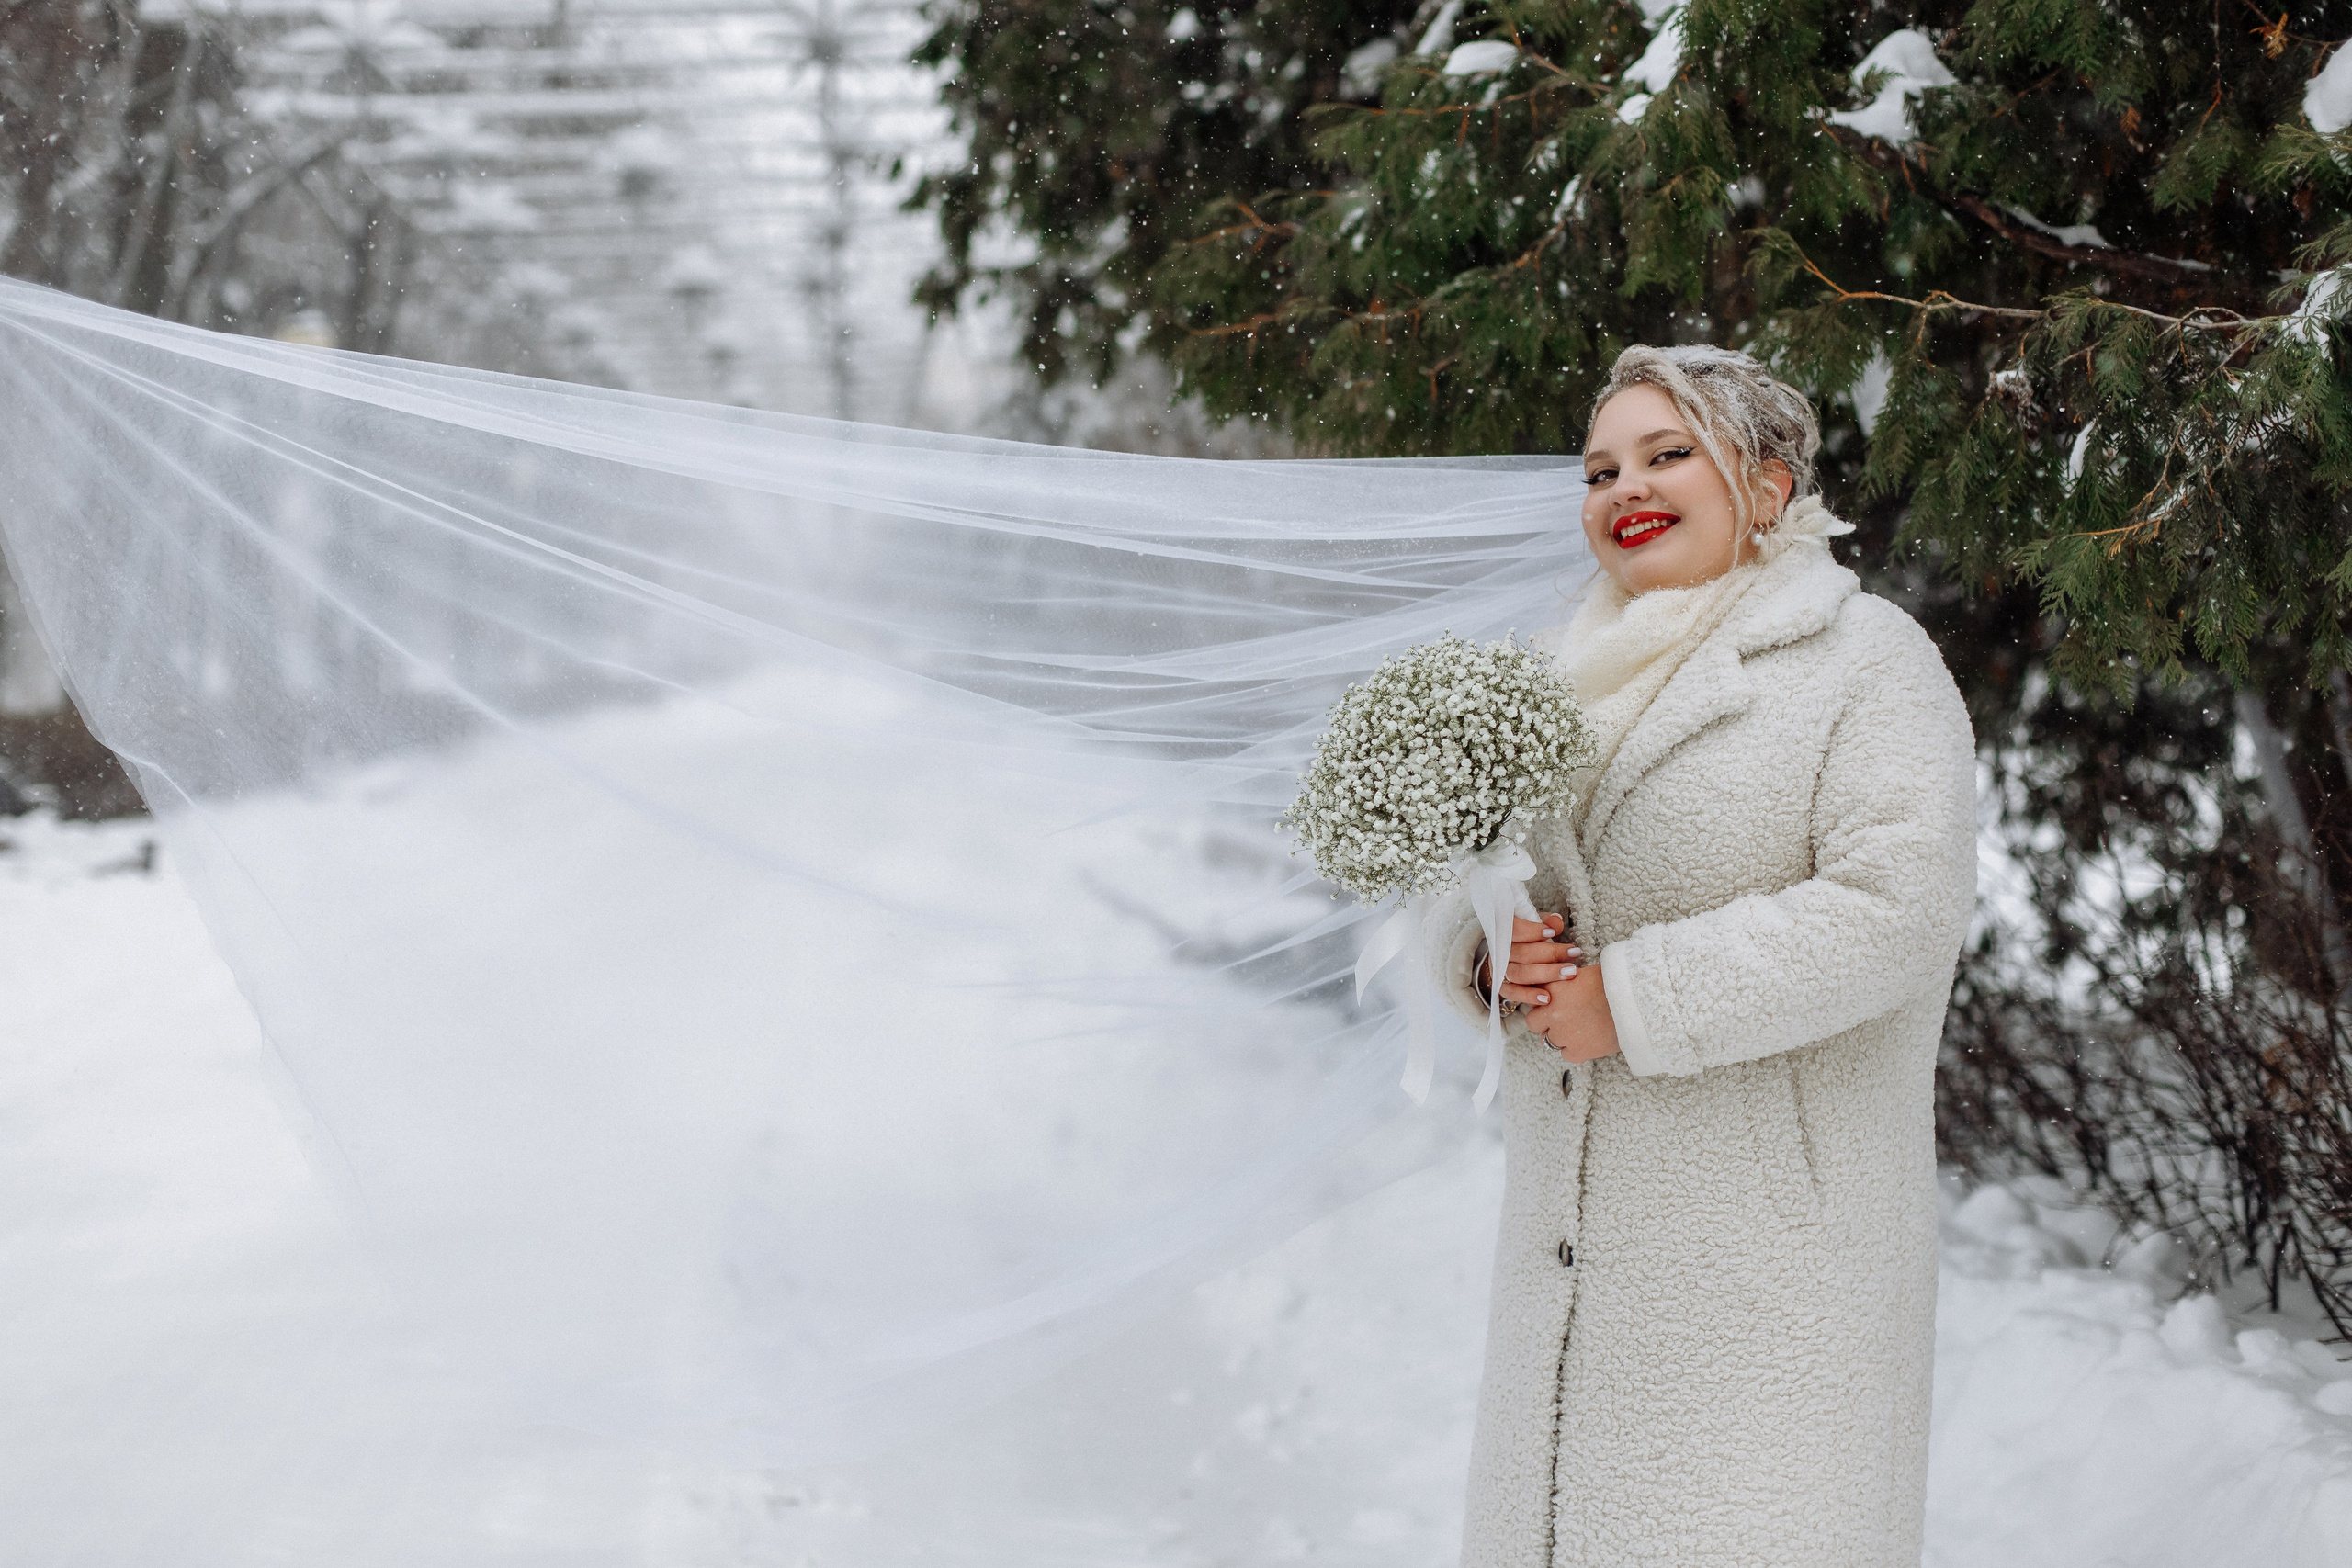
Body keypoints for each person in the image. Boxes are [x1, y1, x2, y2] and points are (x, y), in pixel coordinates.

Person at [1422, 345, 1977, 1567]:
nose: (1626, 485)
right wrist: (1485, 961)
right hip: (1575, 1276)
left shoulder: (1866, 663)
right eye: (1601, 466)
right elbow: (1513, 893)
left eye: (1668, 454)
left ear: (1769, 487)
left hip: (1772, 1282)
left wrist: (1635, 998)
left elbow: (1896, 909)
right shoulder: (1562, 682)